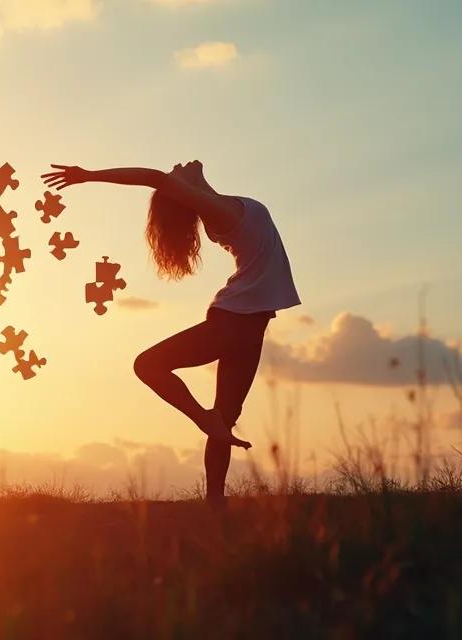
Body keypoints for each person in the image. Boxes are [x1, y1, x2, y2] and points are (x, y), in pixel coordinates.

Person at [41, 161, 301, 506]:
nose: (176, 165)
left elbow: (192, 183)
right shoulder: (216, 211)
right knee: (148, 365)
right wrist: (89, 175)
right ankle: (202, 418)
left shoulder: (215, 202)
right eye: (173, 175)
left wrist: (191, 178)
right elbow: (153, 179)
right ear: (177, 191)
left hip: (251, 326)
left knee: (225, 418)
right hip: (233, 321)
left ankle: (215, 503)